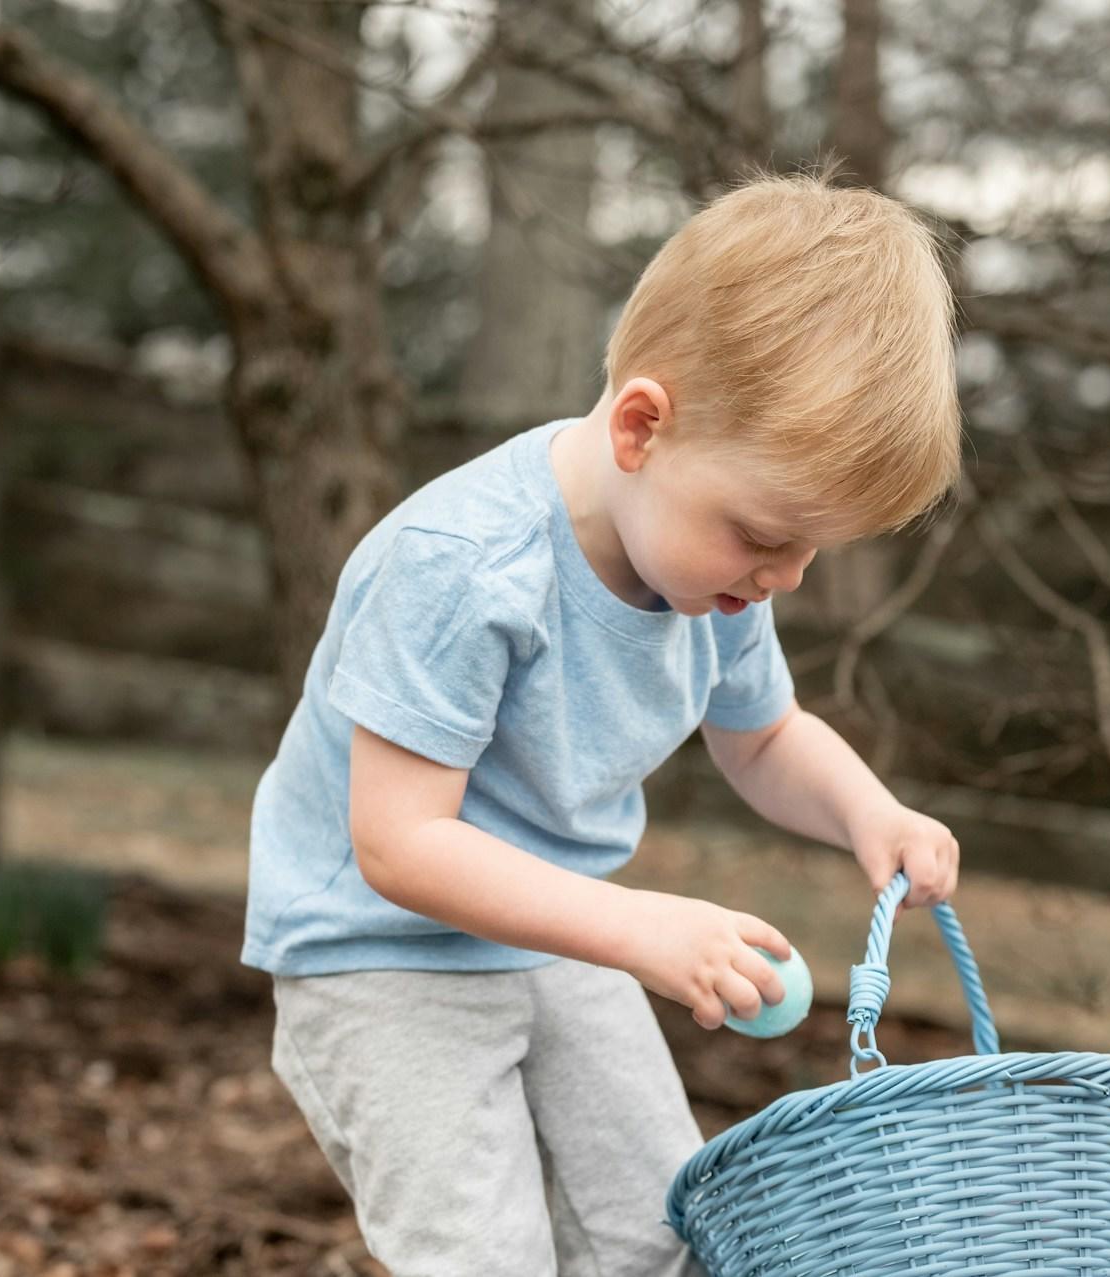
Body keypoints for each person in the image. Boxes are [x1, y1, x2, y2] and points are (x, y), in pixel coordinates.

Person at [241, 166, 966, 1277]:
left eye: (813, 549)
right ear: (641, 426)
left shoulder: (713, 578)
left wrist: (870, 809)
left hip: (558, 933)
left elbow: (765, 737)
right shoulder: (466, 568)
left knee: (660, 1233)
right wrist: (639, 929)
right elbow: (399, 843)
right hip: (379, 954)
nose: (786, 577)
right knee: (484, 1255)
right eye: (766, 534)